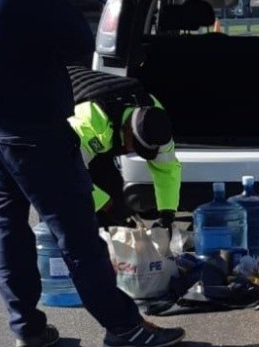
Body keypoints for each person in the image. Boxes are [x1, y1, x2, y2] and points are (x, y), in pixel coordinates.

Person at [0, 0, 184, 347]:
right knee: (75, 232)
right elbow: (79, 43)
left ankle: (28, 331)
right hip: (34, 130)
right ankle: (122, 327)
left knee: (8, 229)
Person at [66, 67, 181, 229]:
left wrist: (167, 213)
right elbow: (67, 171)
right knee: (70, 207)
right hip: (51, 97)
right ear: (127, 129)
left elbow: (167, 169)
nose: (134, 152)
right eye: (135, 147)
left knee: (118, 202)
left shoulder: (156, 119)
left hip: (101, 130)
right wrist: (106, 205)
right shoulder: (92, 123)